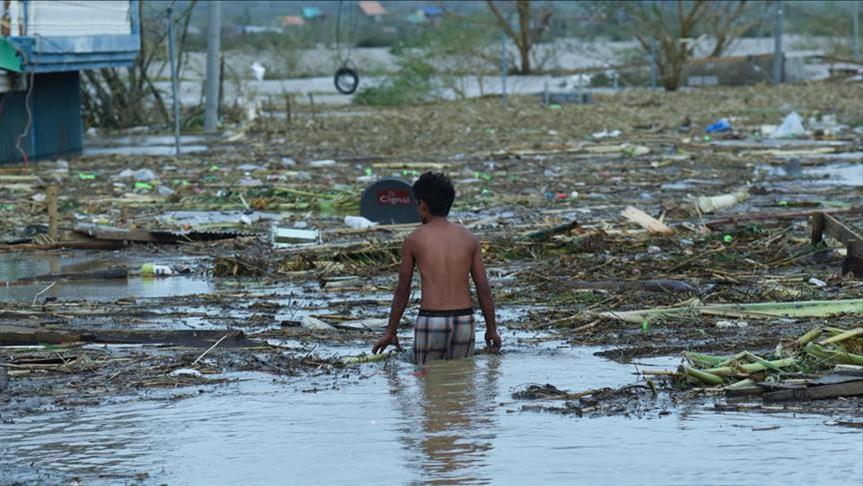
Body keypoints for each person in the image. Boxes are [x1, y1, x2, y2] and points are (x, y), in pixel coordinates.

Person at [372, 172, 501, 364]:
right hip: (464, 321)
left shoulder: (414, 239)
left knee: (429, 384)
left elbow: (403, 289)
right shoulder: (469, 238)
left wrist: (390, 331)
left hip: (432, 322)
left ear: (423, 204)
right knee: (462, 382)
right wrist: (492, 329)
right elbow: (483, 288)